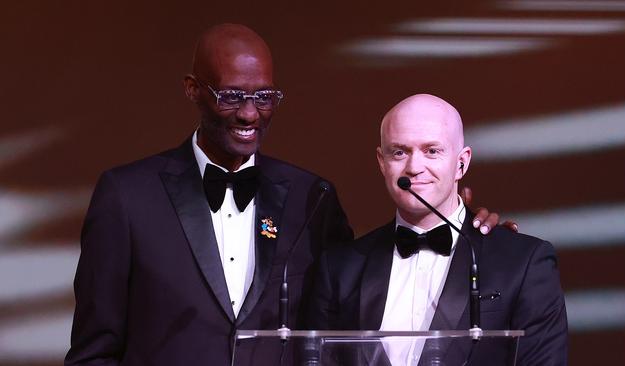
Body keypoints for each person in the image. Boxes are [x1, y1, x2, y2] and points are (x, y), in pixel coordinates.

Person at [65, 25, 503, 365]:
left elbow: (360, 296)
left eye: (264, 97)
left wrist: (462, 224)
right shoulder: (127, 196)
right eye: (232, 95)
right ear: (193, 89)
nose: (250, 113)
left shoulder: (310, 198)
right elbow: (92, 352)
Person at [309, 94, 568, 365]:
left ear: (461, 163)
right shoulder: (341, 268)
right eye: (399, 152)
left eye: (432, 151)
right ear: (381, 162)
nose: (414, 167)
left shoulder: (524, 262)